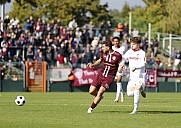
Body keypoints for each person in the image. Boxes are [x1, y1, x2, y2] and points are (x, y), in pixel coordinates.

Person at [87, 41, 123, 113]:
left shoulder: (117, 55)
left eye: (103, 47)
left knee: (100, 92)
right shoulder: (103, 54)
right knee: (91, 91)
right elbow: (100, 60)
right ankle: (99, 97)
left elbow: (121, 63)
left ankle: (90, 109)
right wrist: (93, 65)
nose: (102, 48)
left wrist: (120, 68)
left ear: (108, 47)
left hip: (109, 77)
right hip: (100, 74)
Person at [122, 37, 146, 114]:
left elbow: (143, 64)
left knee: (136, 90)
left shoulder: (142, 53)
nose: (131, 46)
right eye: (131, 44)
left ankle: (135, 109)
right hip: (132, 76)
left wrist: (135, 67)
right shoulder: (129, 52)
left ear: (138, 44)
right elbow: (123, 58)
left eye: (133, 44)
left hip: (141, 76)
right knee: (129, 94)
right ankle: (141, 89)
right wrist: (121, 63)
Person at [112, 36, 125, 103]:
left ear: (119, 42)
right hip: (113, 66)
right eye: (115, 41)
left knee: (118, 81)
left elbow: (124, 57)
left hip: (120, 66)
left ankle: (117, 98)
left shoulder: (123, 48)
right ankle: (122, 93)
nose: (116, 42)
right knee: (117, 82)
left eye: (117, 41)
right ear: (113, 42)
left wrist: (122, 65)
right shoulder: (112, 48)